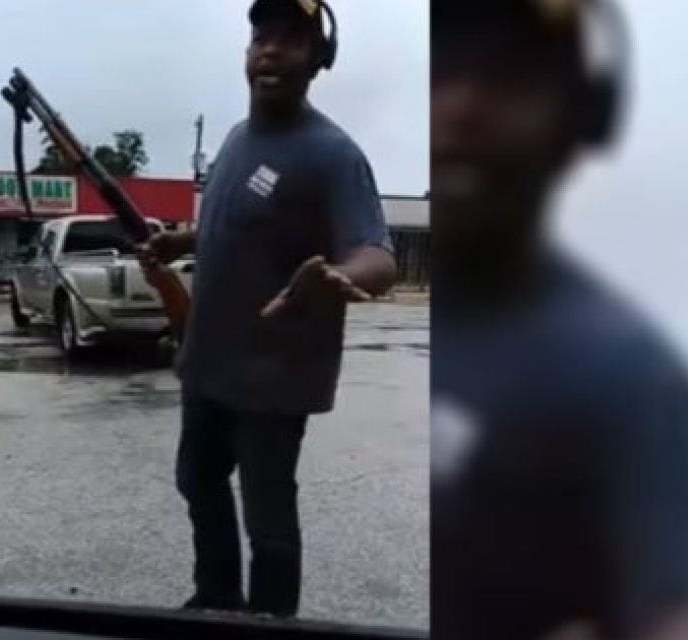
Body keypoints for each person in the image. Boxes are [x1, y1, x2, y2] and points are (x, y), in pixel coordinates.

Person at [431, 1, 688, 639]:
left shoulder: (627, 378)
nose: (461, 108)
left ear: (581, 122)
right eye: (439, 70)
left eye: (509, 78)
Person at [139, 0, 397, 619]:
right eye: (260, 37)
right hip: (208, 362)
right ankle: (218, 597)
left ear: (319, 60)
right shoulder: (235, 138)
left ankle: (273, 624)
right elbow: (235, 229)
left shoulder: (331, 154)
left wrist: (339, 274)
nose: (270, 51)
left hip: (274, 376)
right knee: (198, 482)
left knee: (268, 517)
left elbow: (378, 255)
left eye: (291, 40)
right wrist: (180, 240)